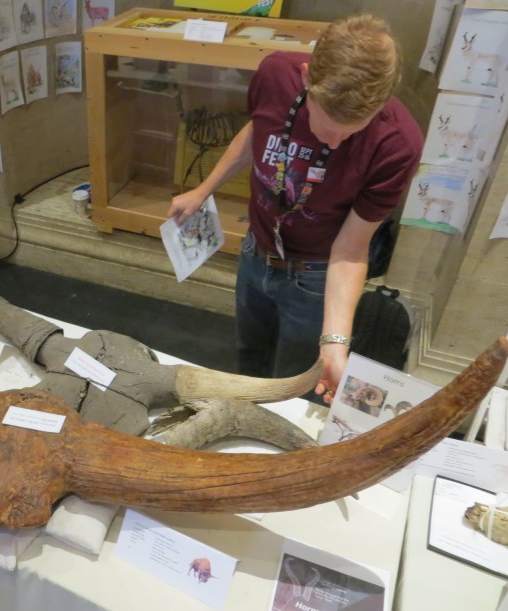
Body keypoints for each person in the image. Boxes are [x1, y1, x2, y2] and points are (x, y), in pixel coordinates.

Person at [168, 14, 423, 402]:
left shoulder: (398, 144)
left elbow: (352, 248)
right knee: (248, 356)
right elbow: (258, 130)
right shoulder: (275, 74)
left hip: (317, 273)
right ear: (306, 78)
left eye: (351, 130)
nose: (336, 143)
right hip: (258, 249)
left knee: (294, 380)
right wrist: (203, 190)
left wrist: (335, 343)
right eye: (326, 125)